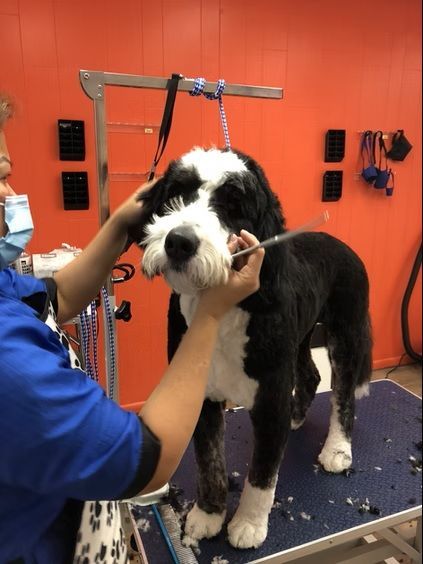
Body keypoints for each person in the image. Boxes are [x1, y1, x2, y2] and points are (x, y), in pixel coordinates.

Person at [0, 92, 265, 564]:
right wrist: (208, 314)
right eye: (0, 178)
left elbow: (51, 299)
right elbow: (150, 460)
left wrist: (121, 224)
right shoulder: (7, 366)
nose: (9, 196)